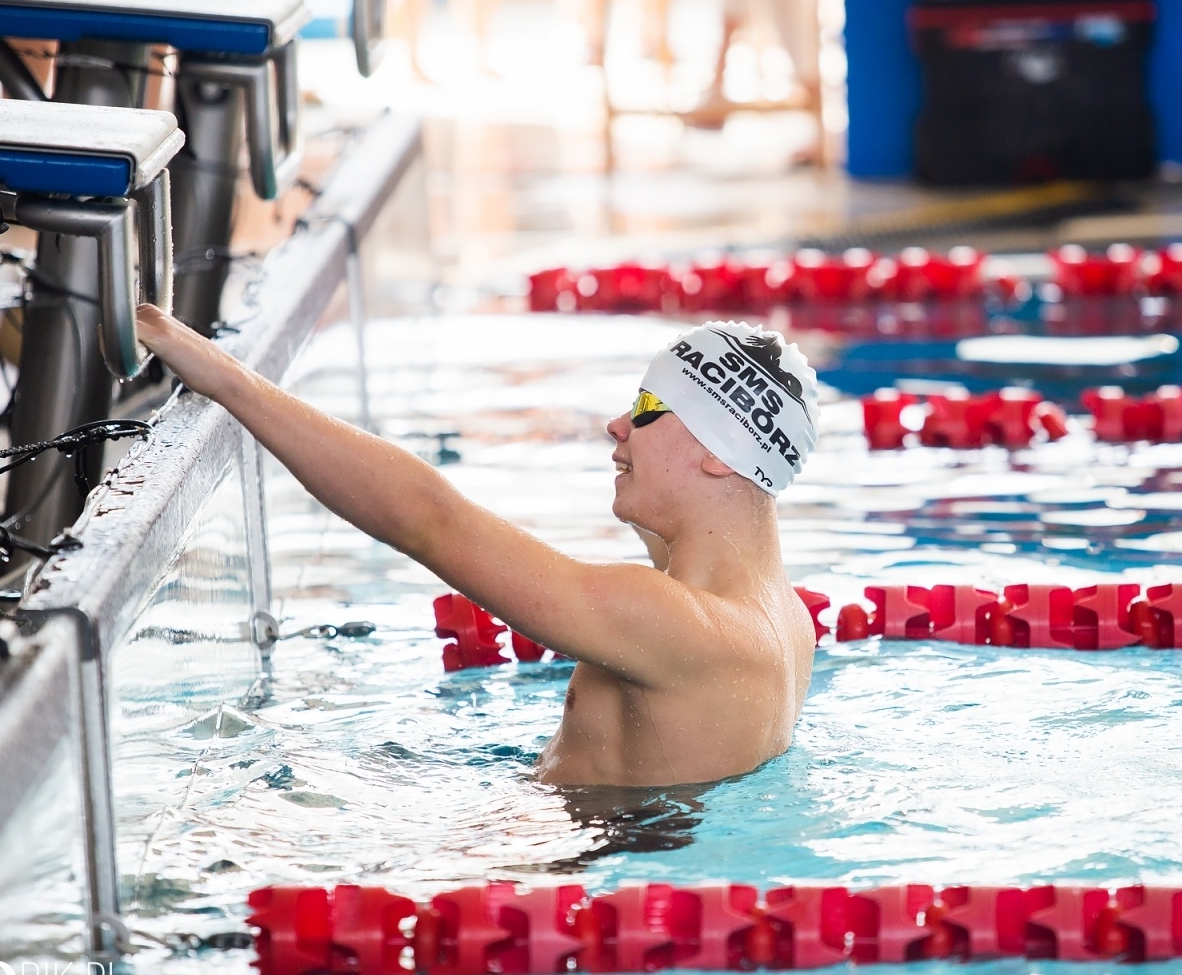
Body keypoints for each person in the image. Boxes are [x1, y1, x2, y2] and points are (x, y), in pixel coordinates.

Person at [136, 308, 821, 787]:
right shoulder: (785, 622)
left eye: (646, 409)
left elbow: (428, 520)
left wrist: (229, 380)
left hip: (549, 872)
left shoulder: (670, 620)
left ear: (720, 453)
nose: (618, 426)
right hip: (610, 870)